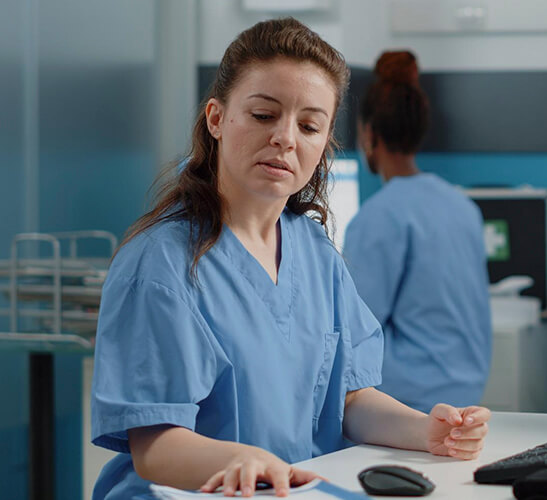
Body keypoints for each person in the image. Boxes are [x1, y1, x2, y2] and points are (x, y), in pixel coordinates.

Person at [90, 19, 490, 500]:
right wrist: (240, 460)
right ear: (216, 119)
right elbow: (154, 448)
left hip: (296, 490)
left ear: (323, 144)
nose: (285, 138)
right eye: (263, 115)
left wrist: (426, 430)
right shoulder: (159, 266)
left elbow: (350, 399)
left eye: (309, 126)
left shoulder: (315, 253)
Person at [343, 51, 491, 413]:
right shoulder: (464, 207)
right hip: (467, 390)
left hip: (408, 398)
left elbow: (353, 330)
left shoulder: (378, 216)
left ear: (369, 135)